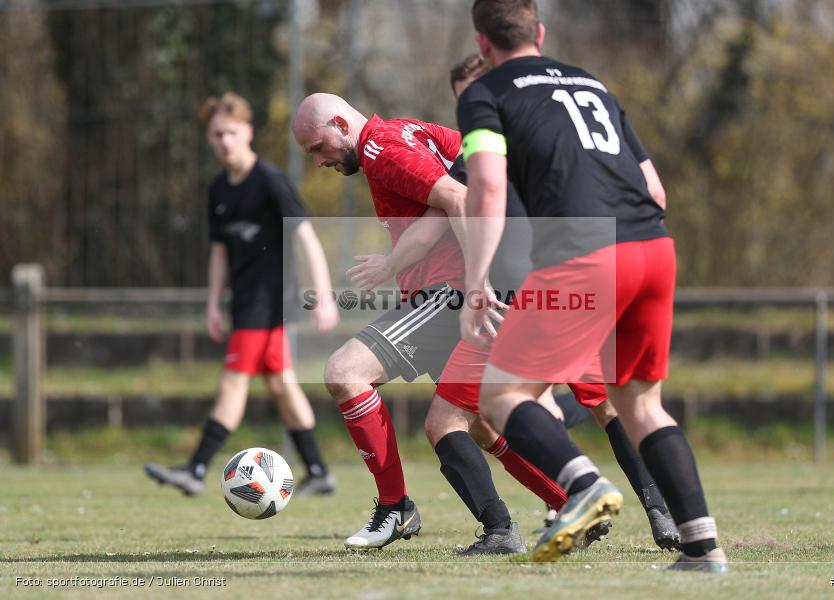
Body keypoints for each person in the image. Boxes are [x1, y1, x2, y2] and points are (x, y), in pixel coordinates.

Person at [457, 0, 726, 570]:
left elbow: (487, 187)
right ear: (540, 31)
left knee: (500, 395)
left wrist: (477, 279)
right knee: (641, 404)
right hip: (654, 247)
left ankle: (582, 485)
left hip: (584, 253)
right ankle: (703, 549)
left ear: (482, 43)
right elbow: (656, 190)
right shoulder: (592, 84)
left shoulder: (485, 92)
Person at [293, 93, 582, 555]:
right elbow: (471, 168)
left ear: (342, 125)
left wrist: (477, 283)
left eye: (318, 147)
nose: (319, 160)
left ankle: (396, 507)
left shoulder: (381, 148)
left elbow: (459, 197)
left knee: (344, 372)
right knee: (479, 425)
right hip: (460, 291)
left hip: (447, 294)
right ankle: (570, 504)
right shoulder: (411, 131)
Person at [145, 92, 340, 498]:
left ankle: (196, 469)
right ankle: (319, 471)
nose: (225, 141)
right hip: (244, 301)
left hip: (269, 303)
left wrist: (323, 295)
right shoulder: (218, 190)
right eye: (217, 134)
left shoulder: (270, 180)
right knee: (281, 385)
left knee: (233, 382)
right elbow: (220, 252)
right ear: (209, 139)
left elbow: (306, 236)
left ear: (248, 132)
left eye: (231, 132)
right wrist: (214, 303)